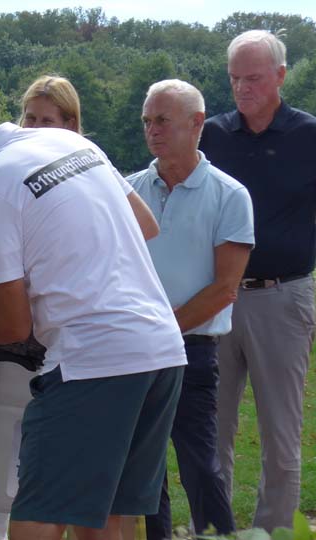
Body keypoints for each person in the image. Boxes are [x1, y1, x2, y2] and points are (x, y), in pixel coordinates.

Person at [0, 118, 186, 540]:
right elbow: (145, 225)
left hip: (93, 358)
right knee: (103, 515)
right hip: (161, 348)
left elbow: (12, 325)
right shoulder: (67, 140)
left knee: (38, 514)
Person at [199, 29, 316, 532]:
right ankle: (220, 530)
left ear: (281, 76)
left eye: (253, 77)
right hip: (216, 299)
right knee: (211, 432)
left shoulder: (309, 136)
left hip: (282, 298)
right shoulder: (214, 136)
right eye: (234, 78)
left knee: (281, 438)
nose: (242, 87)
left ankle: (273, 532)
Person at [127, 79, 254, 539]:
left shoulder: (229, 195)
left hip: (192, 351)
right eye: (147, 121)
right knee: (146, 471)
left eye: (162, 120)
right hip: (134, 352)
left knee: (201, 466)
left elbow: (224, 288)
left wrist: (164, 328)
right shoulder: (129, 190)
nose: (152, 130)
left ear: (196, 123)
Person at [0, 73, 87, 540]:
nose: (36, 128)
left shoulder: (87, 170)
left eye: (48, 121)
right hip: (25, 335)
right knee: (1, 436)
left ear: (71, 126)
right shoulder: (8, 174)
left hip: (69, 340)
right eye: (30, 118)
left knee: (55, 474)